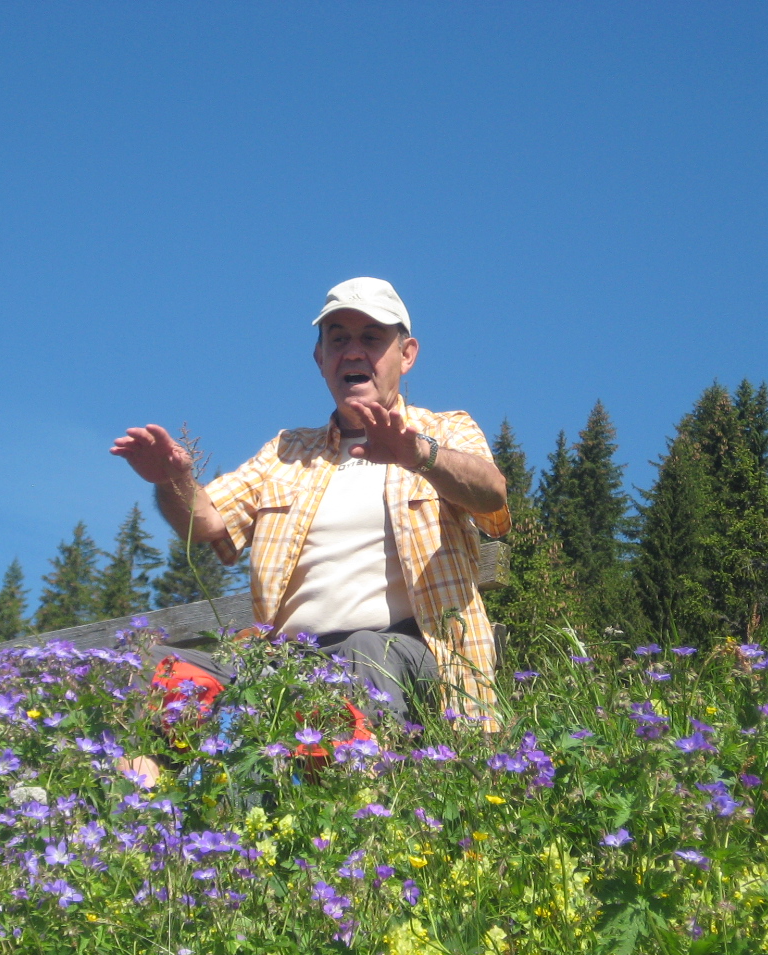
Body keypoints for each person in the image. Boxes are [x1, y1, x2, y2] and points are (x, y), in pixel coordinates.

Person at [110, 277, 511, 731]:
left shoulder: (444, 430)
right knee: (141, 666)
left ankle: (350, 763)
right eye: (338, 340)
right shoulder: (285, 453)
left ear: (407, 354)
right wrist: (173, 480)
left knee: (363, 652)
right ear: (320, 359)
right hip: (285, 667)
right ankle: (144, 776)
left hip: (405, 654)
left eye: (371, 338)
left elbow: (492, 494)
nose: (353, 352)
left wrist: (419, 454)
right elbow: (205, 521)